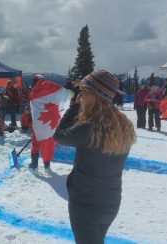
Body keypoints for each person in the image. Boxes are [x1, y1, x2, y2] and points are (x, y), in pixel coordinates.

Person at [53, 70, 136, 244]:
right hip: (111, 202)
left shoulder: (89, 128)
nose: (81, 96)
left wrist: (74, 106)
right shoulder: (124, 125)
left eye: (84, 92)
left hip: (85, 204)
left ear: (93, 95)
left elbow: (59, 136)